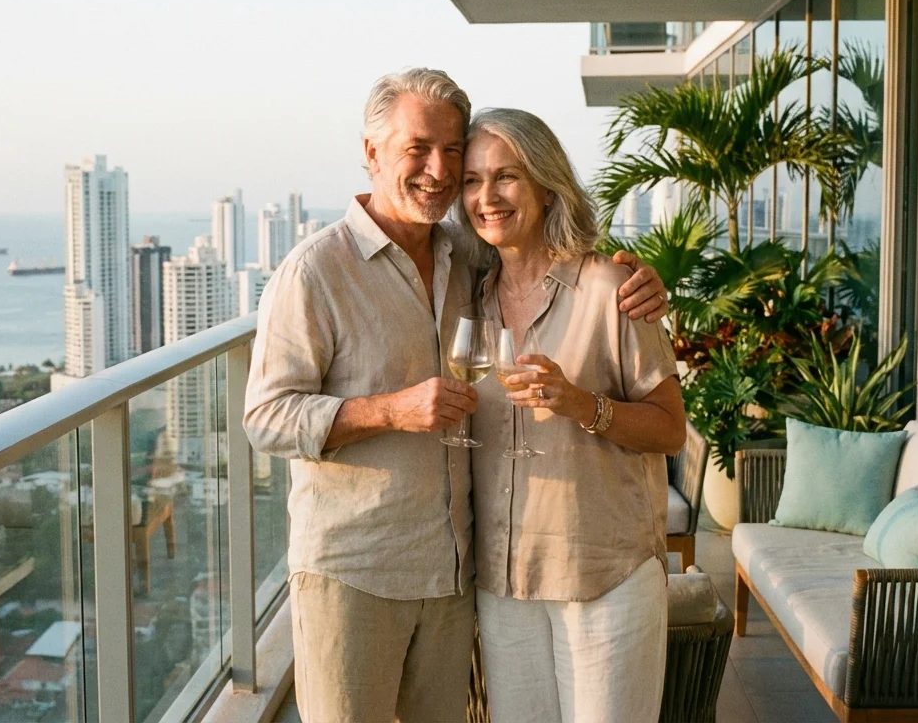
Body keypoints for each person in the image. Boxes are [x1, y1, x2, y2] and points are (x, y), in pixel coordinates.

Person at [243, 69, 669, 723]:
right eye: (420, 149)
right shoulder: (315, 272)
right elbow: (266, 420)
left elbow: (549, 255)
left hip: (454, 577)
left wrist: (638, 278)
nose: (442, 173)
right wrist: (393, 410)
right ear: (372, 151)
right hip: (356, 574)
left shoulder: (463, 260)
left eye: (456, 157)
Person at [460, 107, 686, 723]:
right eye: (472, 180)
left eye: (506, 176)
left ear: (545, 183)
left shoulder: (611, 288)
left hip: (602, 573)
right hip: (505, 581)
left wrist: (581, 404)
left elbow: (670, 429)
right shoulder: (469, 299)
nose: (488, 197)